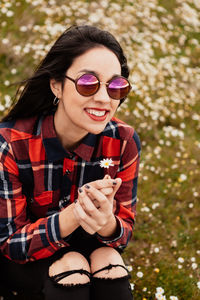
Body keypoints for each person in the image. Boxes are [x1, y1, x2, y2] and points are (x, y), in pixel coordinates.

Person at [0, 25, 140, 300]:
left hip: (89, 249)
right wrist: (75, 214)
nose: (103, 98)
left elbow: (122, 235)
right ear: (56, 85)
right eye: (88, 83)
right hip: (26, 261)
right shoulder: (11, 145)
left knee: (110, 262)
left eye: (115, 86)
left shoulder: (123, 141)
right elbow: (10, 243)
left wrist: (107, 223)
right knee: (73, 266)